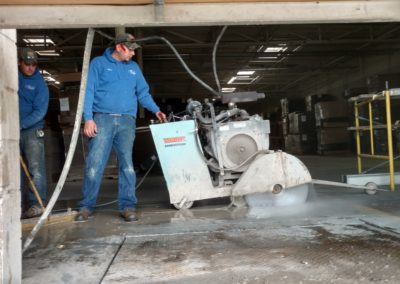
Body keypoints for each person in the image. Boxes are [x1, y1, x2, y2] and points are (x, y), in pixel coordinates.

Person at [75, 33, 166, 222]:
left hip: (126, 121)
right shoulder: (98, 64)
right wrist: (88, 119)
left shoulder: (133, 68)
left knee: (127, 166)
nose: (133, 54)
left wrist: (156, 110)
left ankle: (127, 206)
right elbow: (88, 91)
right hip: (102, 120)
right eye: (130, 49)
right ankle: (86, 206)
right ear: (119, 47)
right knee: (94, 164)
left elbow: (143, 93)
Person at [18, 47, 49, 218]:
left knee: (35, 169)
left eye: (34, 65)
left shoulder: (40, 85)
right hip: (12, 130)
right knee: (14, 170)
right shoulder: (12, 79)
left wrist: (19, 125)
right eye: (27, 64)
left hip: (32, 130)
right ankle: (18, 205)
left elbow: (39, 112)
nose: (31, 68)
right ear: (19, 62)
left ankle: (37, 204)